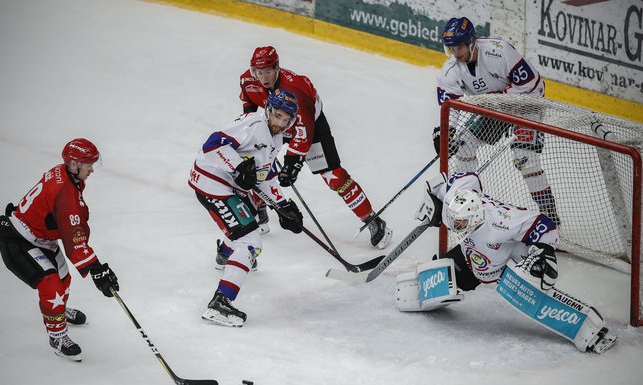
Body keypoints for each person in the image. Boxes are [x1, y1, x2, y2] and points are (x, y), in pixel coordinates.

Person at [396, 171, 617, 353]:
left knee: (533, 297)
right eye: (453, 220)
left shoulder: (503, 221)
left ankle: (590, 331)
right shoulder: (456, 203)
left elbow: (546, 226)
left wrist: (544, 254)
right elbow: (465, 178)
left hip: (507, 266)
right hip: (472, 256)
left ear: (475, 217)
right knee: (438, 280)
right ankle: (429, 285)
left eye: (460, 222)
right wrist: (434, 198)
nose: (455, 225)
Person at [239, 46, 392, 249]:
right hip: (274, 121)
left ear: (277, 68)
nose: (263, 77)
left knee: (334, 177)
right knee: (255, 162)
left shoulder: (296, 90)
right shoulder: (248, 81)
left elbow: (304, 132)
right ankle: (259, 209)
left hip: (309, 123)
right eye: (259, 72)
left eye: (268, 71)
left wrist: (291, 164)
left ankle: (372, 220)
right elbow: (248, 101)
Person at [0, 139, 120, 362]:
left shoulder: (65, 175)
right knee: (51, 284)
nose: (91, 169)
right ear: (73, 165)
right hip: (19, 241)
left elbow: (68, 227)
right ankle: (57, 336)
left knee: (63, 278)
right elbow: (74, 239)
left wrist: (95, 266)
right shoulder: (65, 192)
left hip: (40, 238)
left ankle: (59, 312)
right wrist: (98, 270)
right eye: (87, 164)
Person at [189, 90, 304, 328]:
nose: (281, 123)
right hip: (213, 183)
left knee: (248, 217)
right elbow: (212, 145)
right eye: (279, 116)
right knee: (251, 240)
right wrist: (240, 167)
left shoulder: (277, 137)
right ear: (269, 110)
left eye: (287, 120)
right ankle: (219, 304)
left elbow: (264, 175)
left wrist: (283, 206)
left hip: (228, 186)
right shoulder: (253, 124)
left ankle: (226, 254)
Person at [434, 17, 560, 224]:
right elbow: (451, 106)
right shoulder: (450, 70)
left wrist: (501, 100)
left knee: (525, 158)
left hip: (526, 104)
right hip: (494, 109)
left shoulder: (498, 51)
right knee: (463, 146)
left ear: (472, 42)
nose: (456, 53)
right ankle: (467, 207)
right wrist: (447, 131)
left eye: (459, 47)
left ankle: (550, 216)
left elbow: (533, 85)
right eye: (451, 49)